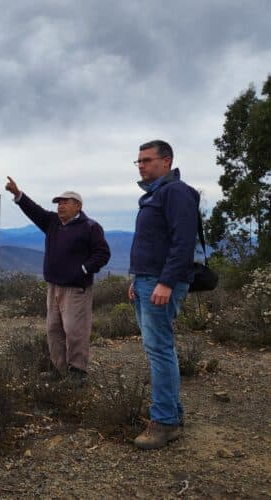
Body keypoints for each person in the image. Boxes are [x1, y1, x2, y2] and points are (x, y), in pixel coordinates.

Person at [127, 140, 199, 450]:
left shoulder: (175, 192)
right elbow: (153, 243)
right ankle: (172, 414)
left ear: (166, 161)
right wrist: (137, 279)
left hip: (161, 282)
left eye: (147, 160)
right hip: (148, 280)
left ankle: (165, 423)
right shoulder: (157, 194)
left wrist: (167, 281)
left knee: (160, 350)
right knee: (157, 348)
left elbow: (183, 241)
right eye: (138, 161)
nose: (141, 165)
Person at [4, 177, 111, 384]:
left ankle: (78, 372)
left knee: (74, 330)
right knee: (54, 329)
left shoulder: (90, 227)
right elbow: (34, 211)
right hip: (53, 286)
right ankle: (59, 369)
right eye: (58, 203)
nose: (60, 206)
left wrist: (83, 269)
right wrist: (18, 194)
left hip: (76, 289)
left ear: (78, 206)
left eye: (65, 202)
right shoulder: (53, 222)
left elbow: (102, 254)